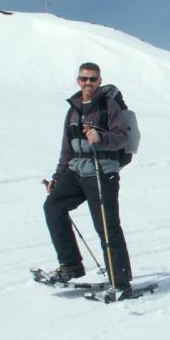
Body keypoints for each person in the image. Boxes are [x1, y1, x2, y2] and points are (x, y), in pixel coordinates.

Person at [43, 62, 133, 294]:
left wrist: (101, 138)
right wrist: (58, 176)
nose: (88, 83)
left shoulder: (109, 106)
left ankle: (121, 282)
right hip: (76, 170)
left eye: (92, 79)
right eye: (84, 79)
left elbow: (122, 138)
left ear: (99, 81)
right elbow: (67, 148)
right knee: (53, 206)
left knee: (106, 226)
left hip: (102, 171)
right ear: (78, 81)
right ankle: (71, 266)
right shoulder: (73, 109)